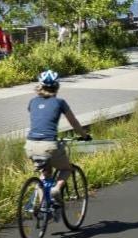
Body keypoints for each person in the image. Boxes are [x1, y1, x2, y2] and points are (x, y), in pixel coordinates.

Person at [24, 70, 90, 205]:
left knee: (45, 173)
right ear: (57, 86)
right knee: (66, 168)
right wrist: (84, 135)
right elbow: (74, 122)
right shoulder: (60, 102)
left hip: (30, 145)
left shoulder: (32, 102)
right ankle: (56, 189)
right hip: (48, 145)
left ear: (40, 86)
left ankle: (43, 206)